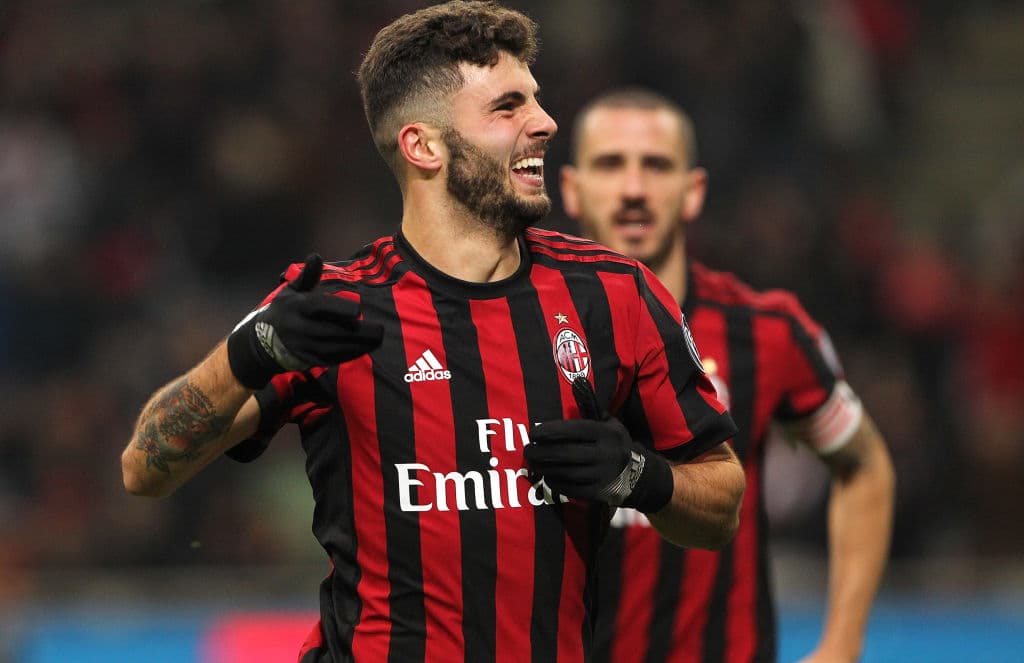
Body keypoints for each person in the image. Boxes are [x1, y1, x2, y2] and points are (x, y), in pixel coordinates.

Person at [121, 6, 746, 662]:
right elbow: (146, 468)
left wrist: (640, 476)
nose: (546, 122)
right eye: (508, 107)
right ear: (424, 146)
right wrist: (249, 352)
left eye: (536, 99)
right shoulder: (336, 307)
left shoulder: (613, 294)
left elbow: (721, 503)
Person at [560, 88, 895, 663]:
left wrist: (842, 642)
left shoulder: (766, 330)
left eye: (657, 165)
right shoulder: (513, 327)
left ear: (693, 193)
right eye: (611, 164)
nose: (634, 188)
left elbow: (863, 466)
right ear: (571, 189)